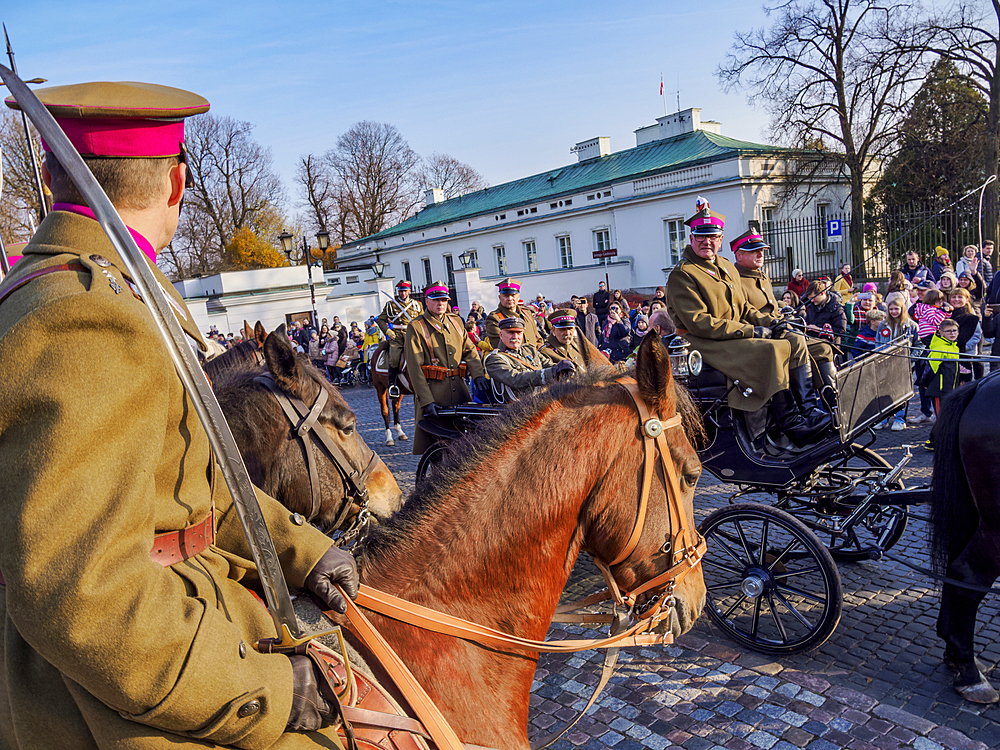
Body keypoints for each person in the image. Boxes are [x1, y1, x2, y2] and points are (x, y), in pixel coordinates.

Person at [0, 81, 359, 747]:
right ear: (177, 183)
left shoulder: (106, 290)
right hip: (115, 680)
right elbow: (86, 596)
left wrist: (300, 548)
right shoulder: (89, 315)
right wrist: (272, 692)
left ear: (51, 179)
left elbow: (191, 480)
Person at [666, 198, 830, 447]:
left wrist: (773, 323)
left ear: (720, 239)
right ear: (691, 238)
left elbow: (743, 308)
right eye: (701, 236)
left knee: (794, 340)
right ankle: (791, 422)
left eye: (713, 237)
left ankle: (809, 410)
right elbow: (700, 323)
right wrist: (752, 330)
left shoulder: (725, 266)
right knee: (775, 349)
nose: (706, 242)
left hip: (732, 336)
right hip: (704, 342)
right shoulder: (683, 274)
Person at [731, 229, 838, 394]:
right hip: (762, 334)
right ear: (739, 256)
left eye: (762, 251)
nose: (760, 254)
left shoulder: (762, 276)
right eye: (754, 251)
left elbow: (770, 304)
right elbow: (744, 310)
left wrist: (783, 310)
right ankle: (807, 405)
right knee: (796, 342)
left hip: (780, 328)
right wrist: (772, 321)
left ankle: (831, 402)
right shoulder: (734, 279)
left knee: (823, 348)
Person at [405, 281, 487, 455]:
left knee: (464, 443)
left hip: (459, 393)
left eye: (444, 299)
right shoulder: (416, 327)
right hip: (434, 394)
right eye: (436, 299)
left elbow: (470, 351)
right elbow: (415, 369)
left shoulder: (456, 322)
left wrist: (478, 374)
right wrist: (426, 401)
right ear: (427, 301)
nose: (440, 303)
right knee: (437, 447)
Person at [484, 316, 574, 400]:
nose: (515, 337)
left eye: (519, 333)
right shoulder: (494, 358)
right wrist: (551, 373)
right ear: (501, 335)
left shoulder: (529, 350)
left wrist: (562, 370)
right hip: (517, 409)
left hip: (543, 400)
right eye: (510, 332)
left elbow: (548, 364)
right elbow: (515, 379)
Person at [875, 292, 920, 431]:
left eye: (897, 309)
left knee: (901, 393)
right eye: (891, 309)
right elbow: (877, 343)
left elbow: (919, 345)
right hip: (886, 363)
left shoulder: (911, 325)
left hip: (903, 364)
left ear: (902, 309)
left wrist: (910, 358)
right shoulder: (883, 325)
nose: (894, 312)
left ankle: (900, 419)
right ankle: (883, 418)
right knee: (884, 391)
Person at [377, 279, 423, 398]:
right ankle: (393, 385)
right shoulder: (391, 305)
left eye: (405, 291)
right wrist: (387, 331)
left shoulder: (417, 305)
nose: (402, 293)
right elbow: (380, 320)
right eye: (401, 291)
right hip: (397, 336)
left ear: (409, 291)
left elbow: (423, 320)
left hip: (413, 335)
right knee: (394, 359)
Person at [922, 318, 962, 449]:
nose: (952, 333)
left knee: (947, 416)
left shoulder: (954, 347)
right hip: (939, 389)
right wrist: (925, 383)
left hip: (950, 388)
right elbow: (930, 369)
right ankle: (933, 441)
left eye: (954, 331)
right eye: (948, 331)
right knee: (942, 417)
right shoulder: (939, 347)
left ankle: (938, 441)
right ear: (941, 332)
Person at [483, 277, 542, 350]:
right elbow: (501, 346)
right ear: (499, 297)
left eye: (513, 295)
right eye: (506, 296)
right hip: (513, 359)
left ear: (518, 297)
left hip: (535, 358)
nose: (510, 298)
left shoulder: (527, 313)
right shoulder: (494, 318)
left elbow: (538, 338)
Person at [948, 287, 981, 383]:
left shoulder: (971, 317)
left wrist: (965, 347)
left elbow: (977, 335)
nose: (956, 299)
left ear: (966, 300)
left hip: (965, 353)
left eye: (960, 297)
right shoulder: (947, 314)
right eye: (954, 297)